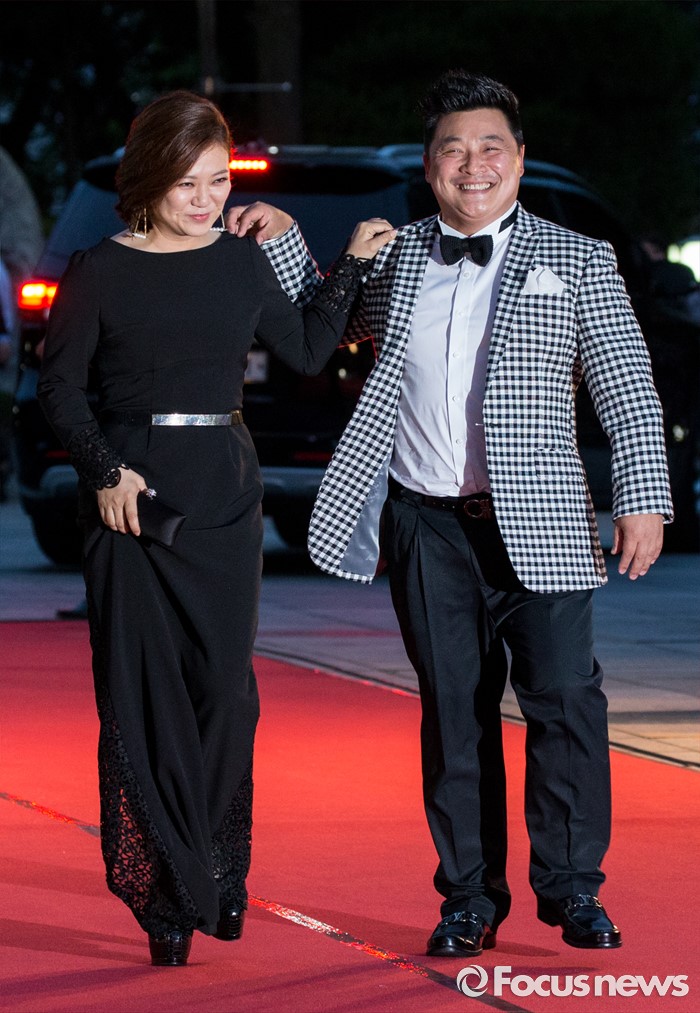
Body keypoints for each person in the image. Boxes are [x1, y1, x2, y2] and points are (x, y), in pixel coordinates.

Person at [229, 71, 673, 956]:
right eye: (453, 149)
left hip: (542, 519)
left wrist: (642, 499)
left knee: (564, 701)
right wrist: (281, 233)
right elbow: (324, 316)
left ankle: (573, 888)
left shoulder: (578, 258)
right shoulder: (396, 257)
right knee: (455, 712)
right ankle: (469, 896)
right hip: (425, 522)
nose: (473, 165)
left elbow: (627, 388)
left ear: (519, 160)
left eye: (490, 148)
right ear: (430, 166)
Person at [37, 89, 394, 967]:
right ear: (148, 176)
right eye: (187, 182)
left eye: (217, 181)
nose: (205, 199)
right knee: (143, 695)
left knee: (226, 693)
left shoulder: (242, 262)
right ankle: (169, 893)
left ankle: (208, 859)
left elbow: (308, 347)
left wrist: (348, 261)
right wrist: (105, 470)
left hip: (225, 494)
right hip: (131, 500)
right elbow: (60, 388)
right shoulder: (97, 269)